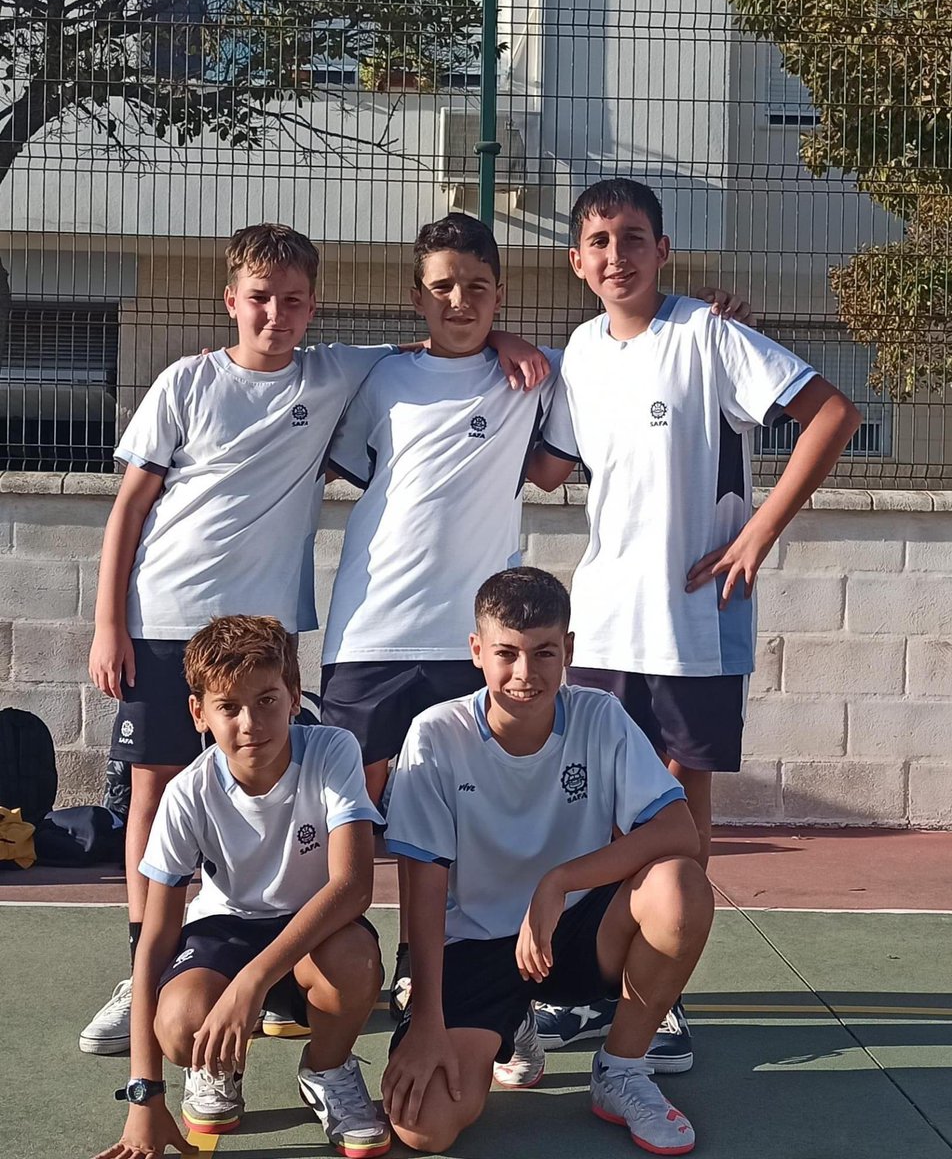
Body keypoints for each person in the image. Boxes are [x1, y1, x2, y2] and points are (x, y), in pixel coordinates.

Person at [80, 222, 545, 1056]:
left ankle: (331, 965)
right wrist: (109, 621)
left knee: (304, 791)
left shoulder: (339, 371)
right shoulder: (186, 382)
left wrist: (499, 331)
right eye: (260, 299)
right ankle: (141, 963)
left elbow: (432, 339)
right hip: (163, 617)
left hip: (267, 628)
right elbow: (129, 506)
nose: (276, 315)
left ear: (312, 309)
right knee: (155, 785)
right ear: (231, 301)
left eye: (294, 301)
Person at [318, 212, 748, 1028]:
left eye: (478, 288)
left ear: (501, 294)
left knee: (470, 820)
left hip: (476, 646)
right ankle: (324, 973)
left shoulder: (542, 374)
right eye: (442, 287)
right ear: (417, 296)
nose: (459, 300)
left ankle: (449, 968)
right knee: (351, 819)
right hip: (370, 632)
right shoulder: (381, 377)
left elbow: (629, 353)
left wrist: (719, 322)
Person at [528, 177, 862, 1062]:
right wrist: (490, 357)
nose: (616, 254)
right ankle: (589, 987)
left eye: (633, 237)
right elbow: (549, 468)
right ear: (577, 261)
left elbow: (833, 412)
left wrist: (758, 532)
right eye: (598, 241)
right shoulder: (579, 354)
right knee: (598, 809)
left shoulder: (710, 333)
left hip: (695, 624)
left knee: (678, 805)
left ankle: (661, 991)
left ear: (662, 250)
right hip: (601, 624)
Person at [381, 567, 713, 1156]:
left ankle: (621, 1070)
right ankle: (511, 1028)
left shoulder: (600, 716)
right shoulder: (435, 736)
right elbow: (423, 893)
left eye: (544, 653)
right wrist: (427, 1016)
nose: (525, 674)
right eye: (506, 653)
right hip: (472, 947)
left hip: (570, 933)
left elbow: (678, 830)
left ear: (569, 652)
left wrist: (558, 883)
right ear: (477, 651)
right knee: (424, 1128)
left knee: (679, 888)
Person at [93, 615, 389, 1159]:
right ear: (199, 713)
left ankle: (327, 1069)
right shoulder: (187, 793)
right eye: (228, 706)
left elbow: (351, 887)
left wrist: (250, 983)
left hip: (315, 925)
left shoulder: (333, 751)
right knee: (180, 1022)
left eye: (267, 700)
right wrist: (144, 1095)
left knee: (354, 963)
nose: (251, 722)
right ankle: (216, 1068)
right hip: (225, 929)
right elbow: (154, 942)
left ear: (295, 697)